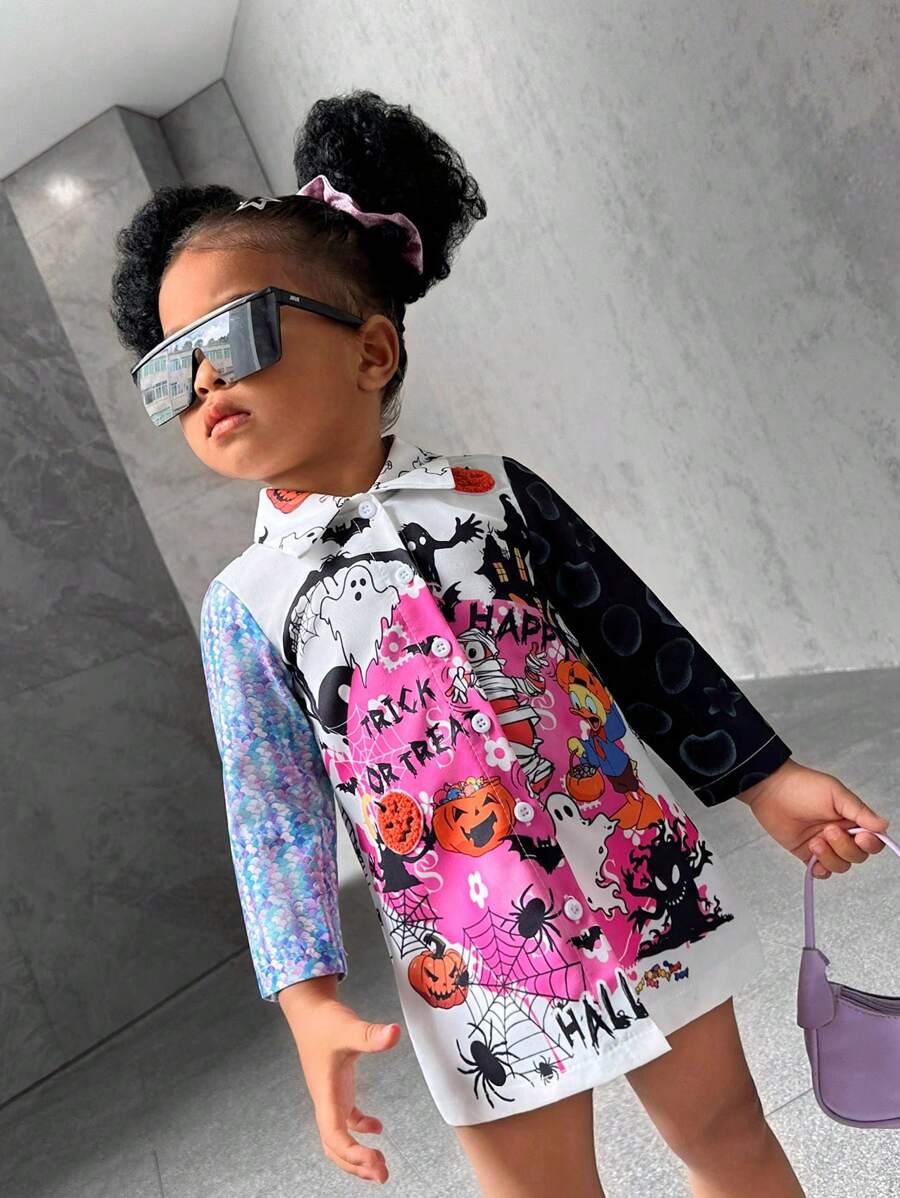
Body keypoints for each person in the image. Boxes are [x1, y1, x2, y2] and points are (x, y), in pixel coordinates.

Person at [110, 89, 890, 1198]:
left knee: (728, 1134)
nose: (201, 381)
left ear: (371, 349)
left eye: (234, 335)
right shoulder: (248, 603)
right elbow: (273, 813)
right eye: (170, 366)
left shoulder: (493, 495)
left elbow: (639, 640)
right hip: (472, 957)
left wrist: (765, 776)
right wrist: (307, 997)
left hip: (632, 880)